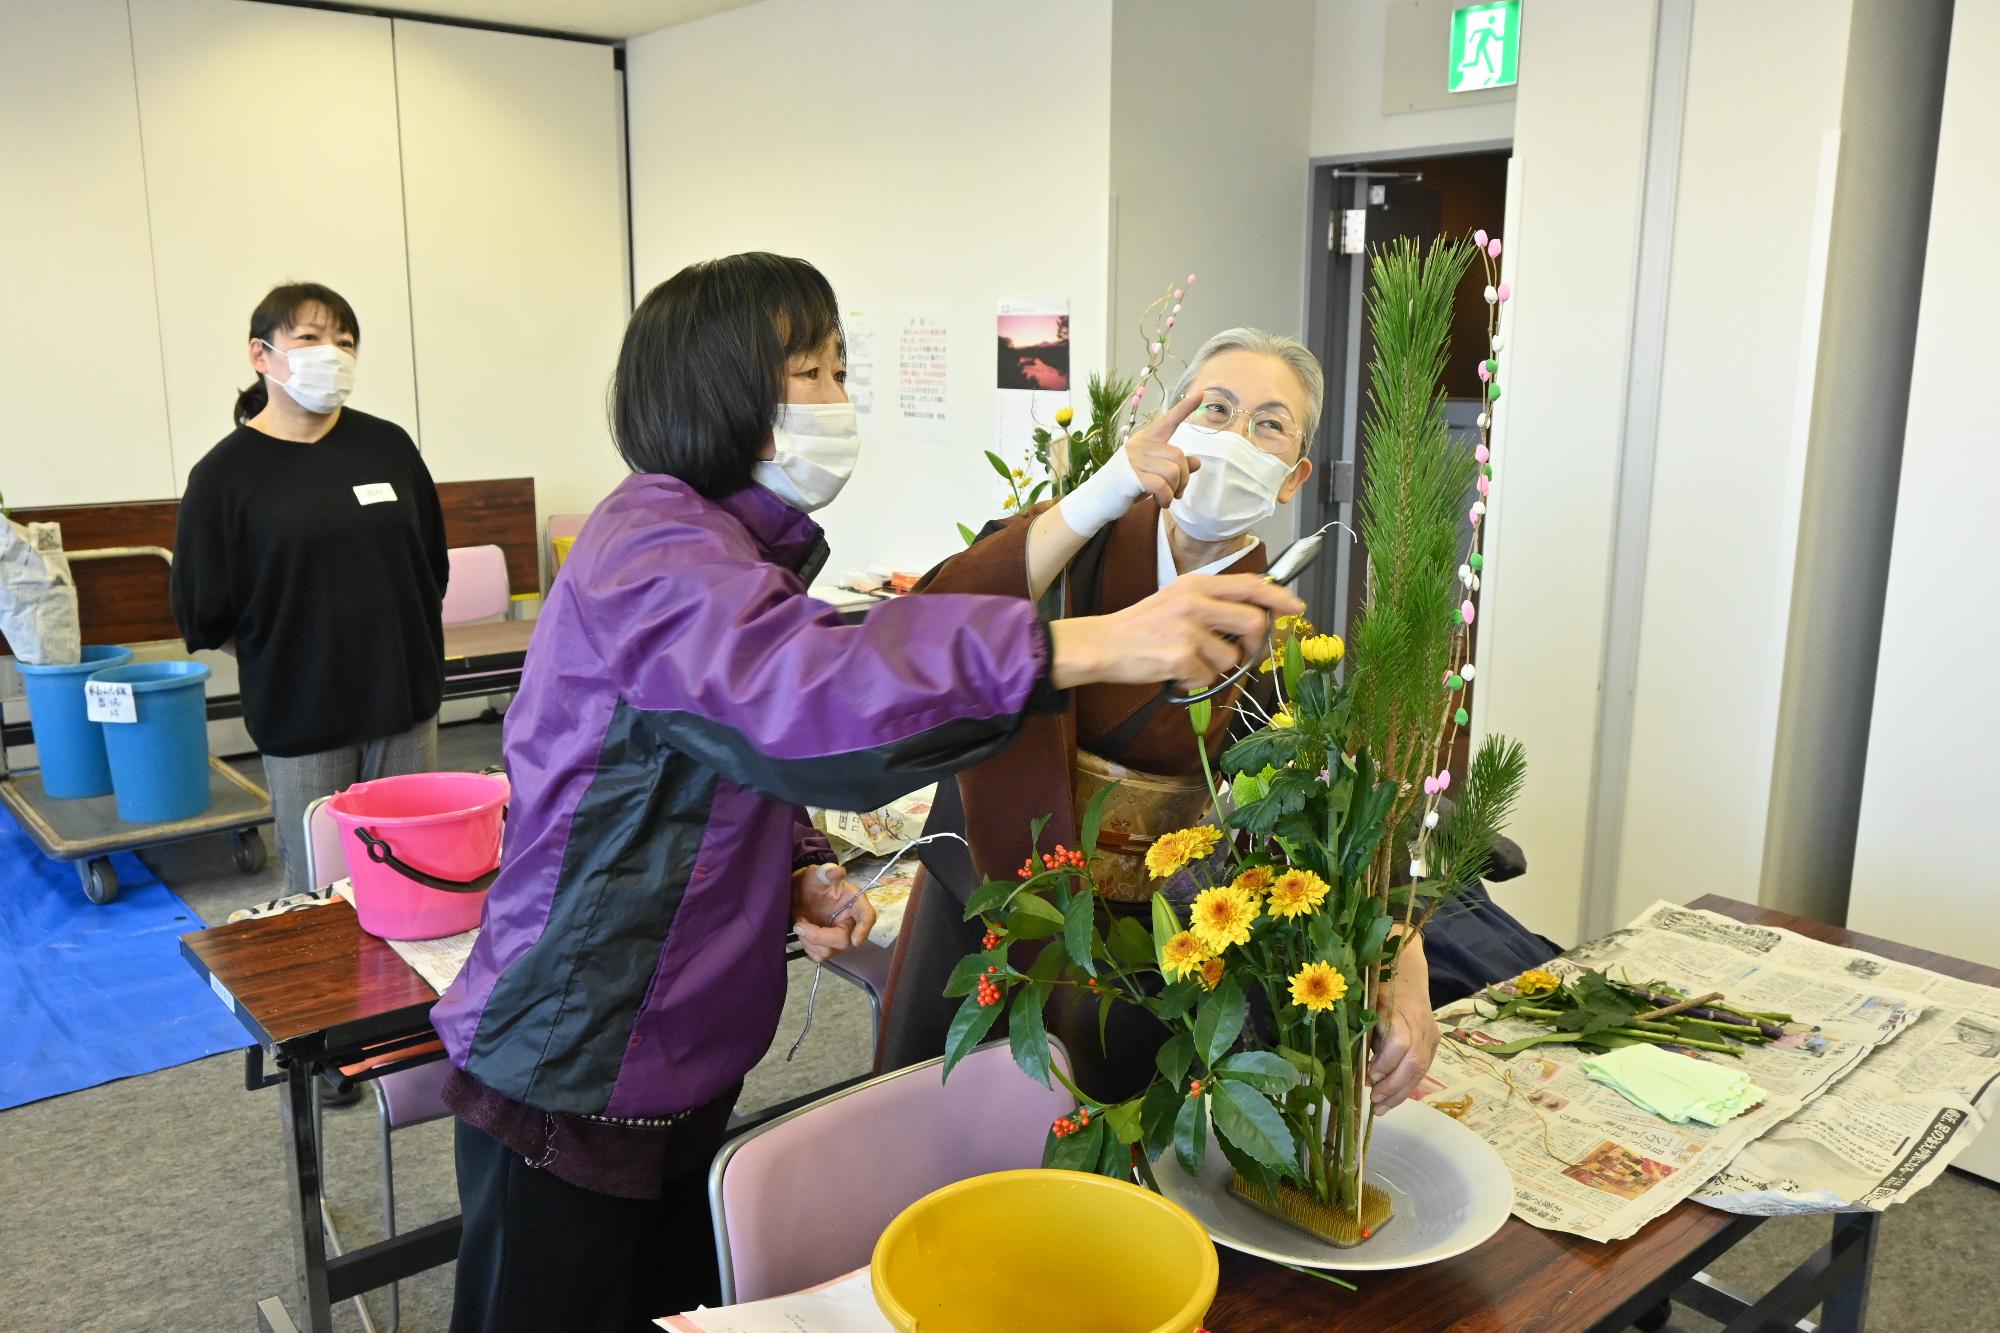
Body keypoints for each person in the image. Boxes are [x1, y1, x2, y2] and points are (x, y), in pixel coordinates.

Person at [428, 253, 1301, 1332]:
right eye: (811, 371)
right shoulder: (652, 543)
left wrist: (793, 862)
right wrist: (1087, 641)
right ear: (718, 387)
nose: (840, 400)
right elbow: (804, 687)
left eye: (839, 368)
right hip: (581, 1049)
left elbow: (722, 747)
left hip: (671, 1050)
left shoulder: (735, 548)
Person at [881, 328, 1552, 1113]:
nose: (1236, 437)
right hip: (985, 903)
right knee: (935, 1139)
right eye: (1216, 408)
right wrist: (1096, 497)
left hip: (1138, 953)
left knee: (1100, 1159)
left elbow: (1336, 810)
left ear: (1293, 476)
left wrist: (1403, 953)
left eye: (1268, 424)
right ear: (1171, 426)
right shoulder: (1070, 546)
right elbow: (918, 638)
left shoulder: (1282, 636)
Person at [172, 283, 447, 898]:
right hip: (304, 711)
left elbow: (432, 562)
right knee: (322, 884)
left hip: (404, 698)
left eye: (345, 342)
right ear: (260, 354)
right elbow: (203, 607)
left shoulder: (389, 445)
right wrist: (288, 657)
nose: (333, 352)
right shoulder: (224, 475)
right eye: (310, 338)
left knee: (413, 869)